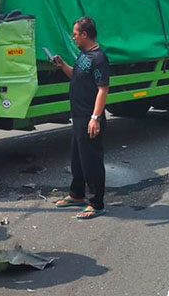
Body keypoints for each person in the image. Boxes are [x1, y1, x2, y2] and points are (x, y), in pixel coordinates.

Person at [52, 16, 110, 220]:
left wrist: (95, 117)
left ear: (85, 34)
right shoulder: (84, 55)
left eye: (75, 34)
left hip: (89, 116)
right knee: (77, 158)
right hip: (78, 115)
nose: (73, 37)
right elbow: (76, 76)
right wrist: (62, 65)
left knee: (91, 160)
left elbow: (103, 90)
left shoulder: (99, 58)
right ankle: (76, 195)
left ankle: (97, 203)